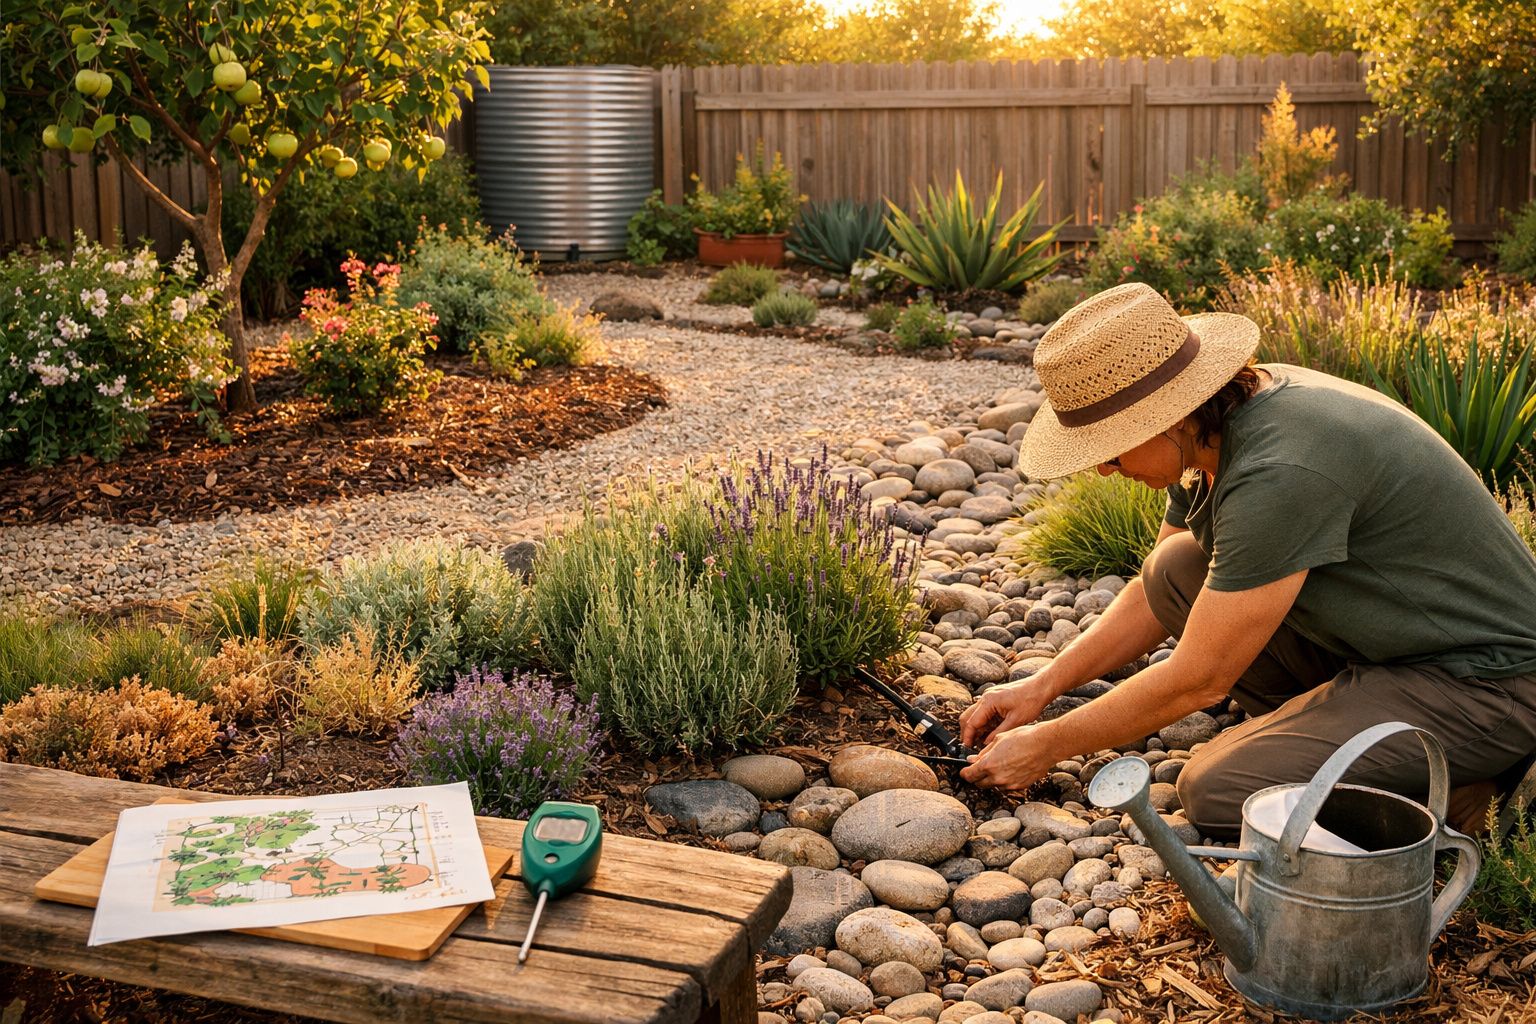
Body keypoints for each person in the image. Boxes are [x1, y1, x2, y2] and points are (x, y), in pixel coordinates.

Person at [957, 282, 1536, 837]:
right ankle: (1345, 742)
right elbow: (1150, 590)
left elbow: (1200, 682)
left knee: (1218, 788)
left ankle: (1461, 793)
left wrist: (1049, 743)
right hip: (1397, 652)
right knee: (1174, 571)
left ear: (1170, 415)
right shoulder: (1215, 428)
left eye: (1110, 445)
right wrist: (1043, 686)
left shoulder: (1280, 468)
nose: (1103, 467)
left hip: (1488, 685)